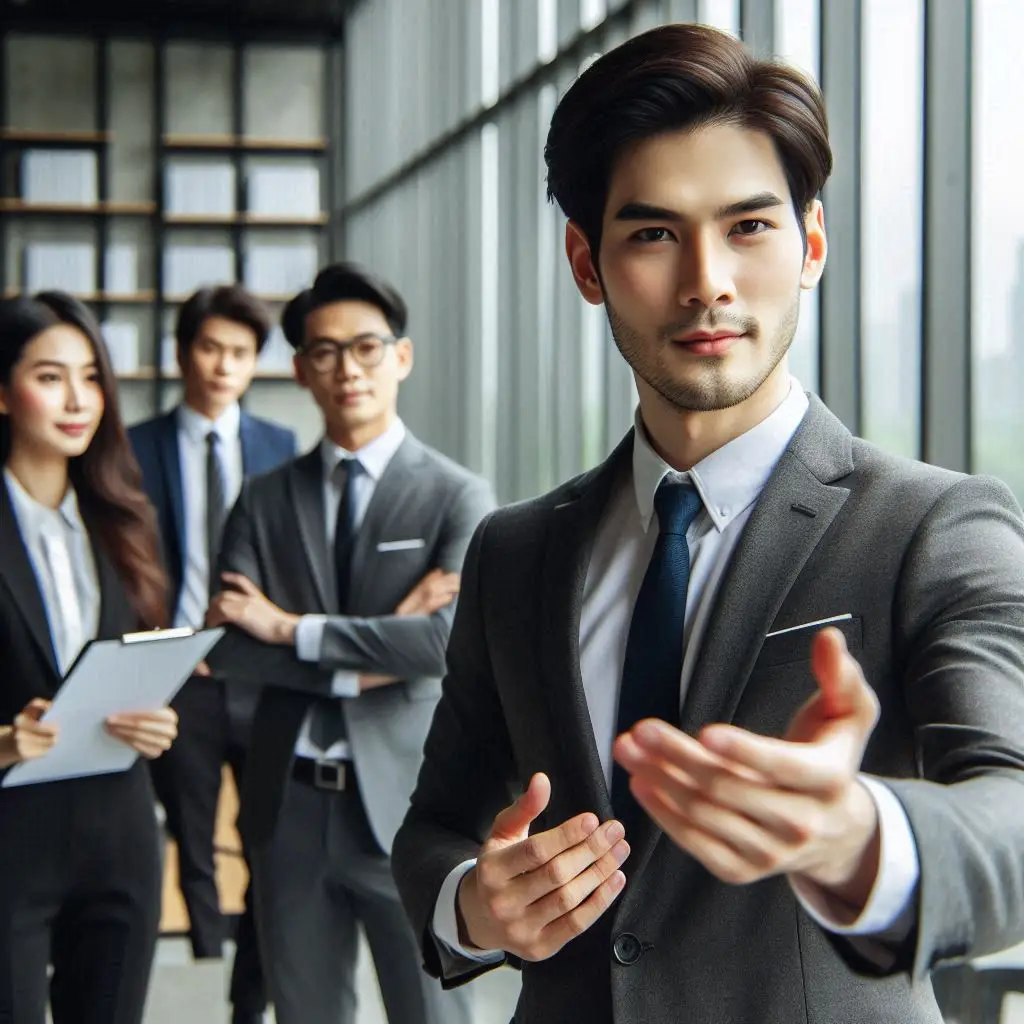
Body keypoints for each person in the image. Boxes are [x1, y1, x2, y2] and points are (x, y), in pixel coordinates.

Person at [390, 23, 1024, 1024]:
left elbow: (1013, 811)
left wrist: (857, 834)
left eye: (748, 227)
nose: (707, 282)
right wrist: (474, 903)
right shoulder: (515, 551)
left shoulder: (933, 525)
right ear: (586, 262)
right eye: (651, 234)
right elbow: (436, 821)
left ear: (810, 244)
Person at [205, 261, 493, 1024]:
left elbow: (442, 645)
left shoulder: (456, 496)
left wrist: (291, 629)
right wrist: (362, 662)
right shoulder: (263, 500)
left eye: (366, 347)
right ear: (301, 370)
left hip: (411, 805)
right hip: (287, 804)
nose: (348, 369)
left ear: (400, 356)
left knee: (430, 1012)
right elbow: (231, 648)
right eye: (325, 352)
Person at [0, 291, 181, 1024]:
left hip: (120, 831)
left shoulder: (125, 522)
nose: (78, 399)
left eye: (91, 377)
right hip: (11, 833)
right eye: (50, 377)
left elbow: (142, 661)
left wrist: (157, 725)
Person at [129, 284, 295, 1024]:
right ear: (182, 353)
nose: (224, 365)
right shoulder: (137, 447)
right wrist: (162, 638)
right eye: (210, 348)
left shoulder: (279, 447)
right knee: (190, 832)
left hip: (258, 670)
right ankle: (198, 961)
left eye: (240, 352)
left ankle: (245, 995)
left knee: (268, 839)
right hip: (179, 672)